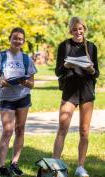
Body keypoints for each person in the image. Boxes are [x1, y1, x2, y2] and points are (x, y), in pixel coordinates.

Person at [52, 17, 99, 177]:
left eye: (80, 29)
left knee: (84, 131)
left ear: (84, 29)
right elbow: (58, 71)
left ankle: (80, 167)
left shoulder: (91, 47)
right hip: (69, 91)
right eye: (74, 29)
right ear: (70, 31)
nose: (78, 32)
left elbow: (96, 73)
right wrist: (66, 65)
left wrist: (91, 70)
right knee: (62, 129)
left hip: (86, 91)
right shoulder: (64, 46)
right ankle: (55, 166)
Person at [0, 27, 37, 176]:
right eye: (15, 38)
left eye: (20, 39)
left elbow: (32, 83)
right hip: (6, 98)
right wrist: (0, 82)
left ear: (23, 42)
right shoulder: (0, 56)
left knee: (20, 129)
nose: (17, 41)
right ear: (10, 39)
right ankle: (1, 166)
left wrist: (24, 82)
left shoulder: (26, 58)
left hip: (23, 97)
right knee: (8, 130)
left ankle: (14, 163)